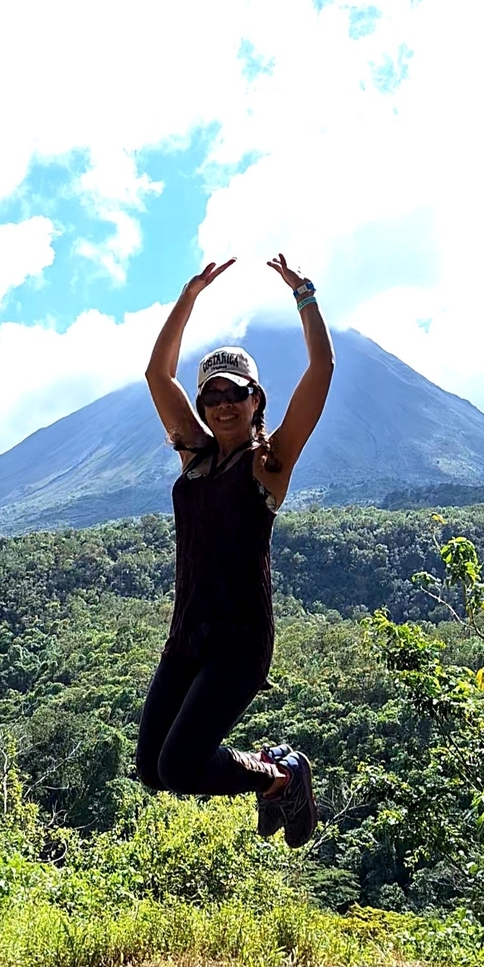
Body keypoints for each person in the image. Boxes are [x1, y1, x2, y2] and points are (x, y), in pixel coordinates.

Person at [136, 253, 334, 848]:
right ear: (202, 404)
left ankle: (282, 777)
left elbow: (321, 369)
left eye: (237, 394)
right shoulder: (194, 457)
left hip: (239, 642)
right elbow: (156, 374)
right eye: (213, 394)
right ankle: (276, 774)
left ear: (256, 402)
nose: (224, 403)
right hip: (188, 635)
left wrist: (306, 298)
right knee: (153, 770)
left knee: (179, 765)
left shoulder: (267, 464)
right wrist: (189, 295)